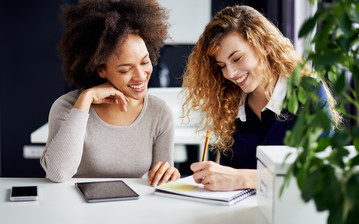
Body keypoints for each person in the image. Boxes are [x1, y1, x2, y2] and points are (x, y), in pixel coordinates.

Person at [181, 5, 341, 191]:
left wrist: (242, 178)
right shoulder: (230, 106)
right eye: (222, 65)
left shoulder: (309, 93)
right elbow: (229, 177)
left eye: (237, 58)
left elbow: (320, 172)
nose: (230, 73)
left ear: (264, 46)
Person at [40, 0, 180, 186]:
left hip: (131, 209)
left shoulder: (159, 112)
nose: (140, 76)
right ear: (101, 70)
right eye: (125, 70)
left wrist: (169, 175)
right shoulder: (66, 107)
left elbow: (162, 184)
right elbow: (58, 173)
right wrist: (85, 99)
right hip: (76, 210)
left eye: (145, 62)